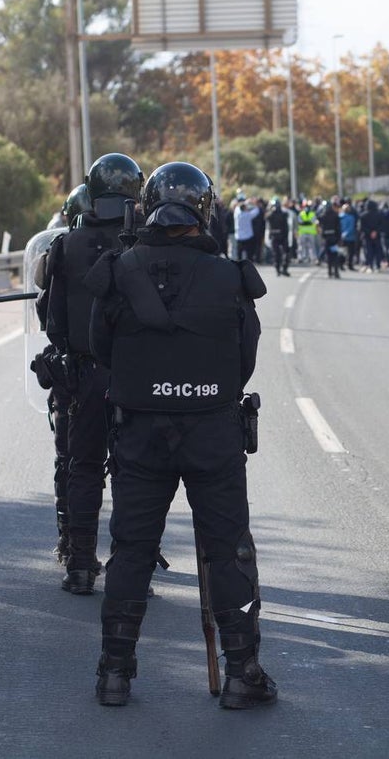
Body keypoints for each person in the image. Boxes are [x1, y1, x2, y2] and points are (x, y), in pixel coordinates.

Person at [85, 161, 276, 709]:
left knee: (131, 550)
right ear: (202, 211)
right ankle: (243, 673)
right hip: (212, 431)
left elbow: (101, 348)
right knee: (228, 550)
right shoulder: (230, 275)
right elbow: (245, 360)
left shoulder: (119, 269)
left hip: (139, 432)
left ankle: (114, 673)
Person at [46, 152, 143, 595]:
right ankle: (131, 569)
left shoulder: (66, 246)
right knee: (135, 473)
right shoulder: (145, 241)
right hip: (136, 378)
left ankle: (81, 566)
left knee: (83, 468)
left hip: (85, 376)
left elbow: (53, 323)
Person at [33, 184, 91, 563]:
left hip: (74, 377)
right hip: (126, 379)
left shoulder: (65, 248)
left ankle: (75, 555)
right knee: (134, 475)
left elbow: (46, 313)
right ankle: (136, 558)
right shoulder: (136, 247)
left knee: (73, 464)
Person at [266, 198, 291, 277]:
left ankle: (282, 269)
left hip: (280, 236)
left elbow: (286, 226)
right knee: (278, 254)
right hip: (277, 236)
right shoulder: (272, 214)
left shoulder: (281, 214)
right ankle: (280, 269)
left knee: (283, 253)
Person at [318, 197, 342, 279]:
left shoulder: (322, 216)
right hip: (334, 238)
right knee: (334, 255)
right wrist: (339, 238)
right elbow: (338, 228)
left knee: (328, 256)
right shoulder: (335, 215)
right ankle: (336, 272)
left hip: (326, 238)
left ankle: (329, 272)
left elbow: (320, 226)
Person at [233, 195, 260, 263]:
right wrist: (253, 203)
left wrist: (244, 202)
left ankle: (238, 267)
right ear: (245, 208)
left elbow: (237, 207)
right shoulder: (248, 215)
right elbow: (257, 210)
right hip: (248, 237)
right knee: (249, 254)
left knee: (239, 255)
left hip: (239, 237)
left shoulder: (237, 214)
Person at [297, 200, 318, 265]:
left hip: (311, 232)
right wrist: (307, 222)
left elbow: (313, 222)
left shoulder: (312, 214)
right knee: (302, 246)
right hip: (302, 232)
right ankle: (301, 258)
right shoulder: (301, 214)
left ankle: (313, 258)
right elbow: (300, 222)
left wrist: (305, 222)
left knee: (312, 246)